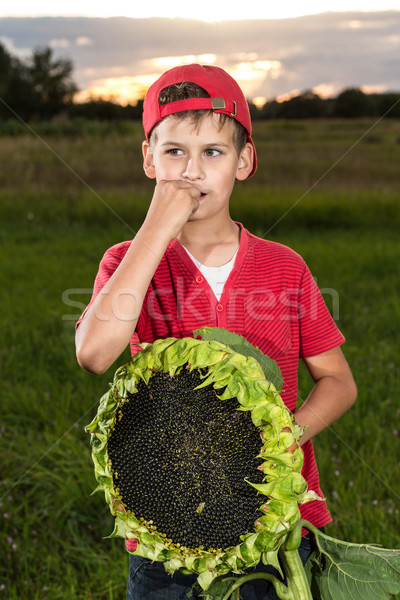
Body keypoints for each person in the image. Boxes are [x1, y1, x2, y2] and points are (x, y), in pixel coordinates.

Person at [75, 63, 357, 599]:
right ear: (147, 160)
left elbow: (339, 381)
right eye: (174, 151)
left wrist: (280, 440)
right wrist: (159, 225)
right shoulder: (126, 262)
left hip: (273, 521)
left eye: (213, 152)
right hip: (168, 525)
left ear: (244, 162)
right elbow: (93, 353)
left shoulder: (285, 267)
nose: (191, 171)